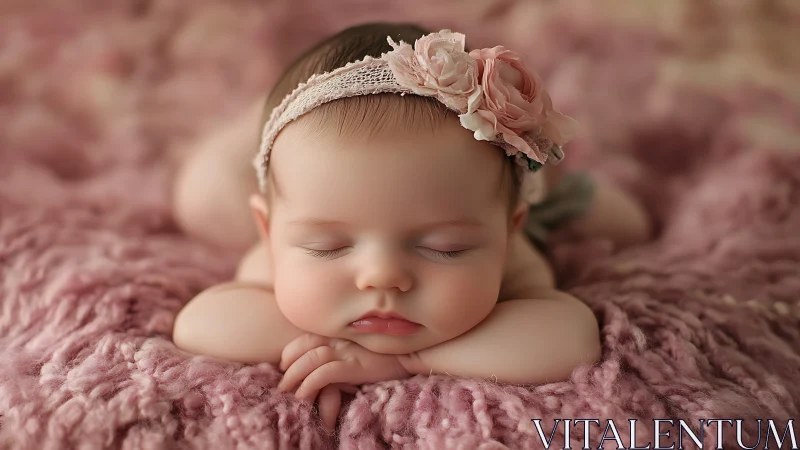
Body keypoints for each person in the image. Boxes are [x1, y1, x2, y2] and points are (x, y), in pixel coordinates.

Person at [171, 23, 652, 434]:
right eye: (328, 246)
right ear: (269, 232)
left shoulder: (514, 264)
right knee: (204, 196)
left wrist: (401, 361)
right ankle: (261, 118)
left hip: (526, 194)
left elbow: (569, 339)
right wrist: (327, 343)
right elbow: (199, 324)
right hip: (316, 181)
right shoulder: (277, 255)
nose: (382, 276)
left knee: (627, 225)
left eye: (446, 248)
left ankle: (549, 171)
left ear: (508, 235)